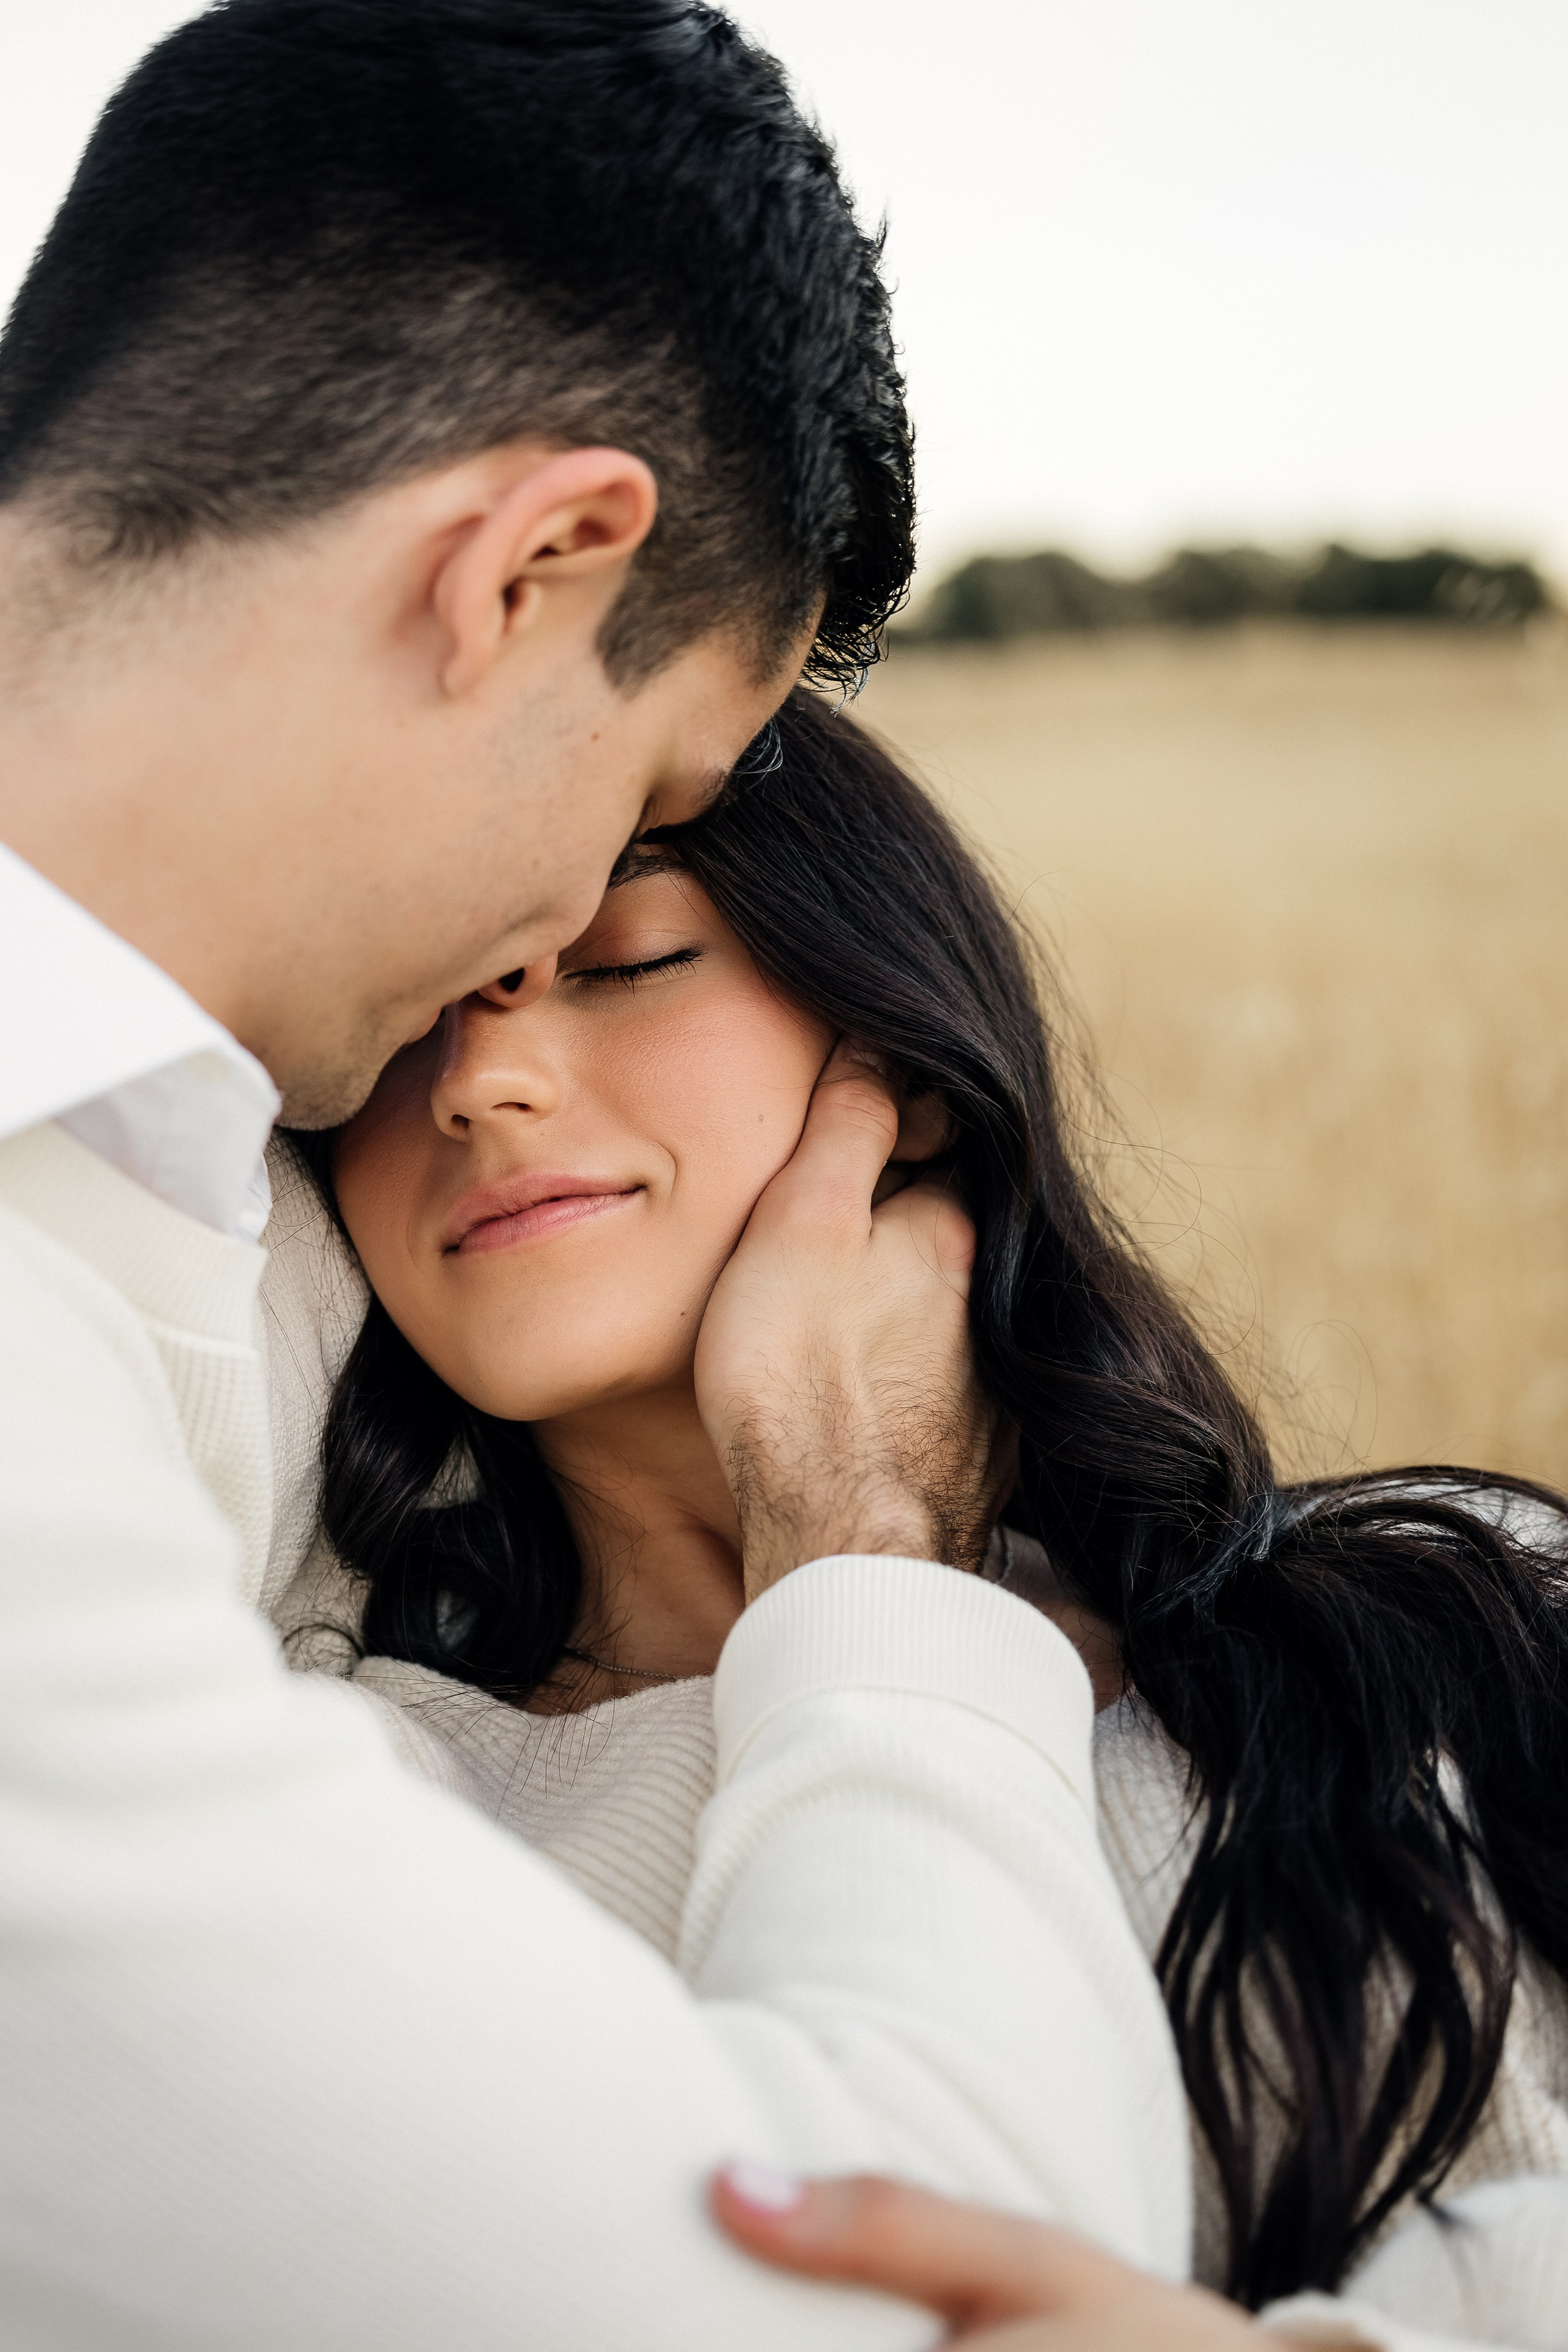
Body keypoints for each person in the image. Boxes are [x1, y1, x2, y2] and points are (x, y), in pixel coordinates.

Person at [0, 4, 1193, 2344]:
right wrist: (860, 1532)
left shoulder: (156, 1174)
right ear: (529, 568)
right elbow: (910, 2290)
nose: (519, 1000)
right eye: (650, 799)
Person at [271, 688, 1568, 2340]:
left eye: (624, 962)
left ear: (909, 1071)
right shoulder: (353, 1819)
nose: (478, 1083)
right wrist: (847, 1530)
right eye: (397, 1022)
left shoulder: (1451, 1621)